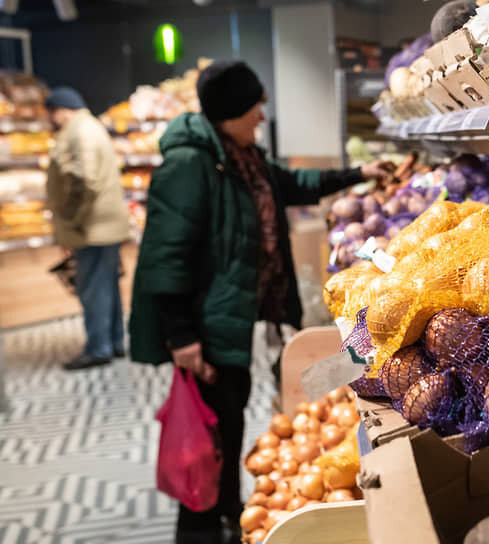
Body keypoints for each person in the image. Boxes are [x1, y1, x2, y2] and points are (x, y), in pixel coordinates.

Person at [128, 60, 392, 544]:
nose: (262, 115)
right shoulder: (191, 165)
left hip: (239, 320)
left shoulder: (242, 157)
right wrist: (181, 335)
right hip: (207, 328)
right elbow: (166, 257)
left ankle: (228, 515)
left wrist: (359, 173)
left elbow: (292, 184)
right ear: (231, 111)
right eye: (255, 106)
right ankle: (200, 530)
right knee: (208, 437)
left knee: (228, 424)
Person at [45, 87, 130, 371]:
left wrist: (71, 216)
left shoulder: (79, 131)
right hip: (101, 224)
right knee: (106, 284)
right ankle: (114, 342)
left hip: (92, 226)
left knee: (93, 287)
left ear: (61, 111)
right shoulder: (90, 127)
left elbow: (85, 179)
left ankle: (98, 347)